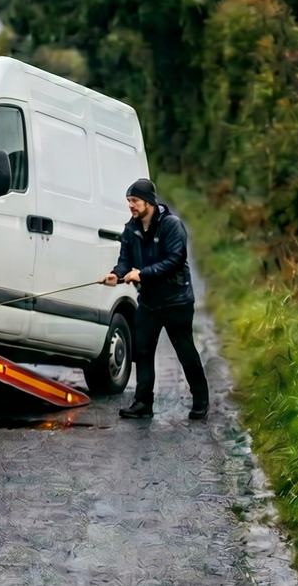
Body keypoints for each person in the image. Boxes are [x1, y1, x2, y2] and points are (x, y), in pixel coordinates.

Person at [101, 178, 209, 420]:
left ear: (148, 202)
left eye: (135, 200)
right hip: (149, 301)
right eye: (129, 201)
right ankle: (143, 403)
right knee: (143, 351)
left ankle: (201, 401)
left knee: (185, 351)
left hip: (176, 301)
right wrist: (116, 274)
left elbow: (175, 261)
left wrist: (142, 274)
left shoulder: (172, 225)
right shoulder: (131, 229)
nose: (130, 205)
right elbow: (125, 261)